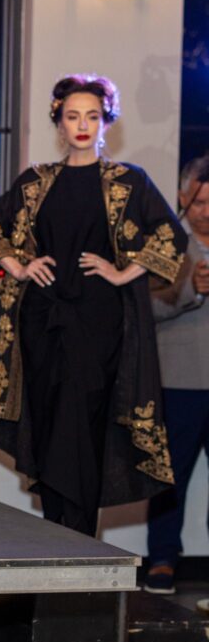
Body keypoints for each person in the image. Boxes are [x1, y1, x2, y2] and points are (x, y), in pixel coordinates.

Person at [0, 75, 186, 536]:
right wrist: (20, 267)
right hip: (41, 320)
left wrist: (123, 272)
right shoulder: (35, 181)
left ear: (107, 122)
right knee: (48, 423)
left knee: (86, 425)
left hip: (100, 322)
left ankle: (81, 544)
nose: (83, 125)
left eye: (92, 116)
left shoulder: (130, 181)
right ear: (59, 123)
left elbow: (170, 234)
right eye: (72, 116)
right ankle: (56, 540)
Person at [144, 156, 209, 593]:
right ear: (183, 196)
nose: (206, 211)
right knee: (170, 476)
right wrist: (191, 290)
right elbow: (145, 308)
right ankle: (163, 559)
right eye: (199, 202)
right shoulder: (166, 245)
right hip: (179, 380)